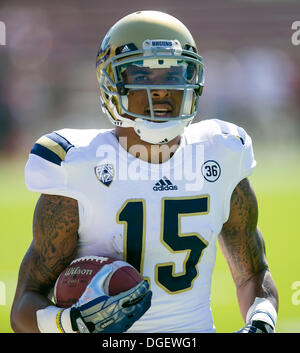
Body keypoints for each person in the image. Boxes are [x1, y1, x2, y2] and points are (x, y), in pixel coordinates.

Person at [11, 10, 278, 333]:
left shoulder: (221, 152)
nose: (161, 91)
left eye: (172, 75)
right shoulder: (77, 165)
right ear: (111, 83)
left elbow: (252, 272)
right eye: (142, 76)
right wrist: (70, 322)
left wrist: (261, 321)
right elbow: (25, 305)